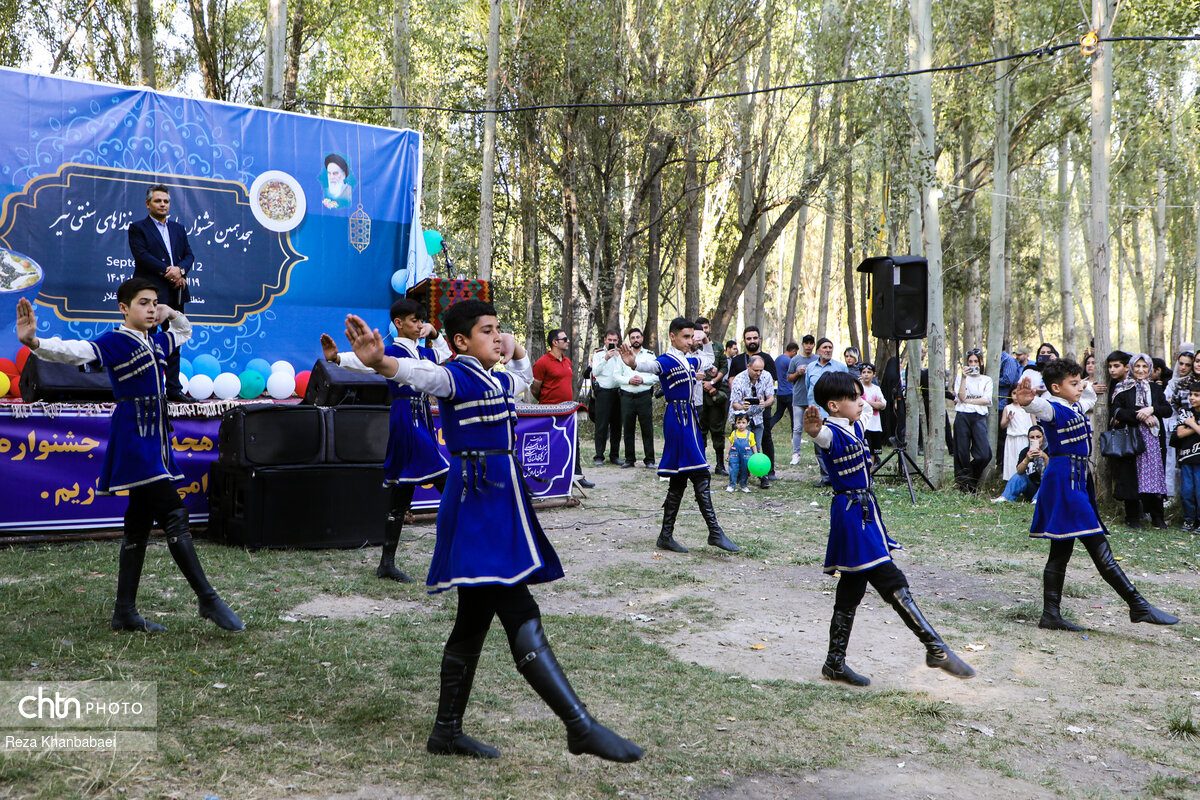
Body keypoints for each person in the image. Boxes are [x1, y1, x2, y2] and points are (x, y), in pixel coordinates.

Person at [344, 300, 642, 763]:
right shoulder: (453, 376)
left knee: (474, 617)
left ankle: (446, 732)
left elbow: (523, 375)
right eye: (487, 330)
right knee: (517, 607)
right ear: (461, 342)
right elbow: (415, 374)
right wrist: (381, 361)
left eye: (499, 328)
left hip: (499, 502)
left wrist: (515, 347)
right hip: (478, 505)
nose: (497, 336)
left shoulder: (497, 378)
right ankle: (579, 726)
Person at [15, 282, 242, 633]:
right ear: (123, 308)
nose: (151, 309)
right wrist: (34, 342)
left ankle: (124, 612)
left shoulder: (158, 341)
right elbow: (75, 351)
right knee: (174, 512)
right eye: (143, 303)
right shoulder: (115, 342)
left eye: (154, 303)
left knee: (138, 521)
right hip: (135, 438)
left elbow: (184, 331)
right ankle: (207, 598)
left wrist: (171, 312)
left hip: (155, 439)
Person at [802, 373, 975, 686]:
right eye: (854, 397)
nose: (861, 402)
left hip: (865, 512)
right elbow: (821, 436)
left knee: (852, 585)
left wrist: (863, 395)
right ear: (834, 406)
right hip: (852, 516)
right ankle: (935, 648)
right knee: (888, 576)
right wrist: (814, 431)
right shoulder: (830, 432)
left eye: (860, 395)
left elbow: (869, 409)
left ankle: (834, 663)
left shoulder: (855, 425)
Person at [1011, 360, 1178, 631]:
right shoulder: (1052, 408)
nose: (1079, 387)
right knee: (1097, 545)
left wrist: (1085, 384)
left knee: (1061, 550)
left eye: (1078, 382)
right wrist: (1029, 402)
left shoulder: (1075, 405)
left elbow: (1088, 398)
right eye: (1073, 383)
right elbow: (1040, 407)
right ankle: (1137, 605)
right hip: (1064, 481)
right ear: (1056, 388)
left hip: (1077, 479)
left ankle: (1050, 614)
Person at [320, 297, 451, 582]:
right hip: (406, 418)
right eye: (415, 320)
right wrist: (337, 358)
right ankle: (474, 549)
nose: (419, 325)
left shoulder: (424, 352)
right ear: (398, 323)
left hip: (422, 417)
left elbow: (444, 354)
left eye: (422, 320)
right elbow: (365, 362)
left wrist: (436, 332)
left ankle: (386, 564)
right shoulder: (389, 351)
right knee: (447, 479)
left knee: (401, 492)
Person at [620, 318, 740, 555]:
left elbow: (708, 360)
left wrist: (704, 339)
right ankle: (714, 532)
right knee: (700, 472)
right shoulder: (666, 360)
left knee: (679, 478)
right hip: (678, 418)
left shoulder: (689, 359)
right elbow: (649, 366)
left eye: (691, 336)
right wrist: (633, 363)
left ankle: (666, 536)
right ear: (672, 336)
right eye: (685, 336)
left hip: (689, 417)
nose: (689, 341)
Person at [128, 184, 194, 402]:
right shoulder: (138, 228)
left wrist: (180, 271)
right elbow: (142, 256)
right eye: (158, 201)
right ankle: (148, 389)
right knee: (147, 340)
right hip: (149, 294)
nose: (163, 204)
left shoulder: (178, 229)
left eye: (166, 201)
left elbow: (189, 255)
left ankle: (173, 389)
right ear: (148, 204)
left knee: (174, 341)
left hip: (175, 292)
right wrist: (169, 271)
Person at [1110, 352, 1171, 529]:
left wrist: (1152, 409)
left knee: (1154, 475)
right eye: (1137, 366)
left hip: (1153, 440)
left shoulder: (1155, 389)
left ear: (1150, 368)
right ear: (1131, 367)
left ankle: (1157, 516)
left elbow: (1167, 410)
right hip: (1132, 439)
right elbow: (1117, 411)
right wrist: (1140, 415)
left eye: (1145, 366)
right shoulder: (1123, 388)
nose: (1141, 370)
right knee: (1131, 477)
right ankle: (1132, 517)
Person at [533, 329, 594, 488]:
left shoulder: (567, 361)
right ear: (555, 342)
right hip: (549, 412)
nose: (568, 341)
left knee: (574, 442)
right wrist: (547, 401)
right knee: (552, 444)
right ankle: (550, 478)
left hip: (567, 410)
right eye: (564, 339)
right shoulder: (542, 363)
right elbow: (535, 388)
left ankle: (577, 477)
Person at [728, 326, 777, 481]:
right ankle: (740, 474)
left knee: (758, 445)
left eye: (761, 370)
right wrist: (743, 407)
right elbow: (734, 403)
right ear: (748, 367)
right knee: (742, 446)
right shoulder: (739, 379)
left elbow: (771, 397)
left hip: (759, 416)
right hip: (742, 417)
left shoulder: (766, 375)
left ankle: (763, 474)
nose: (758, 373)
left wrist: (765, 404)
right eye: (756, 370)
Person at [804, 338, 848, 487]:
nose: (828, 350)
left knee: (837, 446)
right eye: (825, 347)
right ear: (818, 351)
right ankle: (826, 478)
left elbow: (846, 389)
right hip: (817, 414)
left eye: (830, 347)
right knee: (819, 447)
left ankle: (839, 476)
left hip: (835, 414)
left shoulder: (840, 367)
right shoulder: (811, 368)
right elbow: (808, 387)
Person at [615, 327, 658, 468]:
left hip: (644, 395)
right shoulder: (622, 355)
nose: (635, 340)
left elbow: (656, 375)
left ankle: (649, 459)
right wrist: (628, 380)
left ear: (642, 338)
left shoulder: (650, 355)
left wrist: (643, 380)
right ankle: (629, 459)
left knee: (647, 428)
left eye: (638, 337)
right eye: (632, 337)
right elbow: (616, 376)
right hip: (627, 397)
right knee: (628, 428)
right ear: (629, 340)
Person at [952, 349, 992, 492]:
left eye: (976, 361)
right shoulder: (961, 378)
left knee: (984, 454)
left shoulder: (987, 379)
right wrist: (964, 378)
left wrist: (969, 400)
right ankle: (966, 486)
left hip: (979, 417)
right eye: (970, 361)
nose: (973, 364)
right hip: (962, 415)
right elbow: (961, 397)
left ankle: (970, 479)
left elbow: (987, 400)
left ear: (981, 363)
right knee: (961, 452)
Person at [589, 330, 624, 466]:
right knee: (601, 425)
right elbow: (595, 371)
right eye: (610, 340)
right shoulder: (598, 354)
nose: (612, 343)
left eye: (615, 340)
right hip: (603, 392)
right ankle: (599, 455)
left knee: (617, 425)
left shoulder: (620, 353)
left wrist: (618, 356)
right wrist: (606, 358)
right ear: (605, 340)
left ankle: (614, 455)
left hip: (618, 392)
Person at [1164, 350, 1196, 497]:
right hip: (1175, 424)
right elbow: (1167, 401)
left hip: (1191, 424)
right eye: (1181, 363)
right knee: (1172, 461)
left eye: (1187, 365)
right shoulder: (1175, 382)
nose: (1183, 367)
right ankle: (1172, 494)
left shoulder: (1192, 383)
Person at [698, 338, 732, 475]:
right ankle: (701, 463)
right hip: (698, 395)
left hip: (715, 394)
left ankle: (720, 465)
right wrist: (703, 384)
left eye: (706, 328)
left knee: (717, 430)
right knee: (700, 430)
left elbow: (724, 367)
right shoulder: (692, 347)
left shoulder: (717, 346)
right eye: (701, 329)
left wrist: (712, 383)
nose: (703, 331)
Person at [1169, 379, 1200, 532]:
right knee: (1187, 491)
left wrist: (1192, 424)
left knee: (1199, 491)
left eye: (1197, 395)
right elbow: (1180, 433)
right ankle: (1189, 519)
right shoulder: (1185, 412)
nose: (1192, 398)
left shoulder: (1190, 419)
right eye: (1191, 394)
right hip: (1187, 458)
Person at [992, 425, 1048, 503]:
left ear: (1043, 437)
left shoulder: (1050, 450)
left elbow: (1052, 471)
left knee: (1049, 479)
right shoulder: (1025, 451)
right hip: (1031, 487)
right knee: (1019, 476)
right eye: (1032, 437)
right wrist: (1027, 459)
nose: (1035, 440)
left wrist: (1045, 457)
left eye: (1038, 437)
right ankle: (1006, 497)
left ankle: (1038, 500)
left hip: (1047, 488)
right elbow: (1019, 471)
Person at [787, 335, 818, 465]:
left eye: (811, 343)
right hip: (799, 398)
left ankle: (819, 455)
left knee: (817, 428)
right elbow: (788, 378)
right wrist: (797, 373)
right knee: (797, 428)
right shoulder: (795, 360)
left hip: (814, 399)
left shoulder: (817, 359)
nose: (808, 346)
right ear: (803, 345)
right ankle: (796, 454)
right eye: (806, 343)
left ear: (814, 345)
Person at [999, 401, 1035, 480]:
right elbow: (1002, 425)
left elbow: (1034, 424)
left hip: (1026, 438)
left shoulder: (1029, 407)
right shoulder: (1008, 408)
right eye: (1014, 394)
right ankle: (1011, 481)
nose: (1015, 397)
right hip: (1012, 439)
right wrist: (1008, 419)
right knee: (1012, 461)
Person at [770, 342, 799, 438]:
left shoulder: (778, 359)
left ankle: (767, 428)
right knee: (794, 416)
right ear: (793, 351)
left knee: (778, 414)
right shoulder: (789, 361)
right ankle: (795, 436)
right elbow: (794, 374)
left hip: (780, 392)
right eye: (796, 352)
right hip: (789, 392)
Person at [726, 411, 757, 493]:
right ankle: (732, 485)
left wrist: (756, 455)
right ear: (735, 424)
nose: (741, 425)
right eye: (738, 422)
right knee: (733, 468)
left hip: (746, 455)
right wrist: (727, 453)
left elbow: (753, 445)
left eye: (743, 422)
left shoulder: (750, 434)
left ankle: (743, 485)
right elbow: (730, 443)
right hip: (734, 454)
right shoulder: (734, 433)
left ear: (747, 423)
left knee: (745, 469)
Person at [858, 362, 885, 455]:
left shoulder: (876, 389)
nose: (866, 374)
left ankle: (872, 465)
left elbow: (882, 405)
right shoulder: (858, 388)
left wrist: (865, 402)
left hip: (875, 425)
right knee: (863, 451)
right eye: (864, 372)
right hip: (862, 425)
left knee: (873, 452)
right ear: (860, 374)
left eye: (869, 372)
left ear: (874, 374)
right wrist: (875, 404)